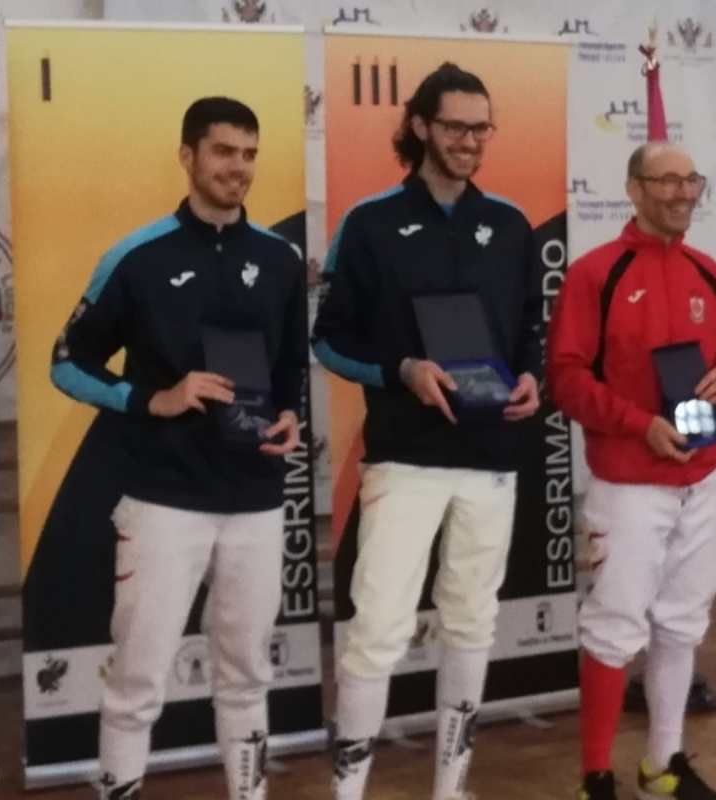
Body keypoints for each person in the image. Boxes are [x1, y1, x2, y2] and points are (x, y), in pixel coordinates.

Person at [51, 96, 306, 800]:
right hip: (164, 501)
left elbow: (289, 371)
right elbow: (66, 362)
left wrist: (288, 415)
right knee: (137, 681)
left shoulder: (280, 260)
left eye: (250, 154)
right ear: (189, 155)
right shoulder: (136, 257)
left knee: (248, 676)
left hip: (256, 501)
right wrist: (150, 398)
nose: (239, 168)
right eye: (224, 152)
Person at [311, 62, 543, 800]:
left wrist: (535, 378)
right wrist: (402, 369)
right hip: (405, 460)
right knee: (377, 629)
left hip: (491, 459)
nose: (471, 141)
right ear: (419, 127)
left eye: (481, 127)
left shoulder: (509, 226)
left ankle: (451, 787)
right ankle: (349, 793)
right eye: (455, 127)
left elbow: (529, 334)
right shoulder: (372, 223)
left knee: (472, 623)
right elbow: (328, 339)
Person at [548, 143, 716, 800]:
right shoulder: (596, 273)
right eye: (667, 180)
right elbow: (567, 380)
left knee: (683, 622)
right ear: (634, 190)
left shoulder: (708, 271)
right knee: (614, 625)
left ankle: (662, 764)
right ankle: (594, 777)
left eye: (692, 178)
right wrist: (639, 425)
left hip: (701, 481)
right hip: (628, 484)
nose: (683, 192)